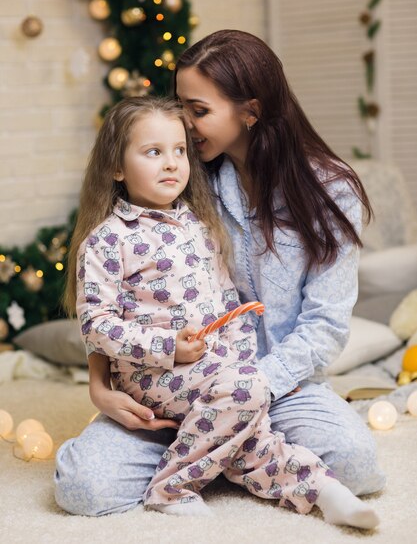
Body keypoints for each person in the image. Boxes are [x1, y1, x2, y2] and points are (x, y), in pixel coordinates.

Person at [55, 30, 385, 519]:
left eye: (198, 111)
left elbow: (325, 328)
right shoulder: (185, 177)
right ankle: (230, 457)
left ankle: (207, 457)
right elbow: (112, 298)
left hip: (283, 384)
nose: (183, 130)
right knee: (84, 488)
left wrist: (247, 386)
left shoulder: (330, 193)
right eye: (182, 108)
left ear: (250, 111)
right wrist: (100, 385)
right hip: (173, 381)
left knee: (356, 465)